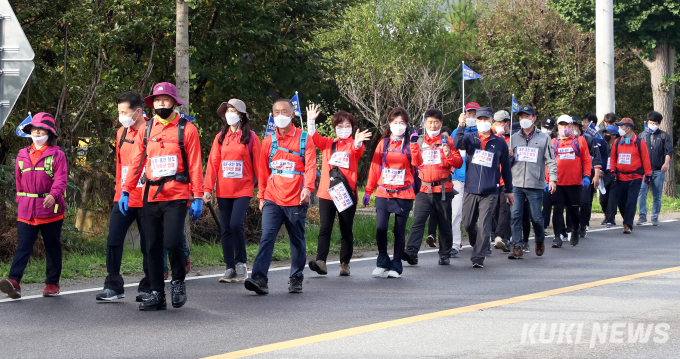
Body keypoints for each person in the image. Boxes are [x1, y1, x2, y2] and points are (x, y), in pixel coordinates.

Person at [123, 82, 204, 311]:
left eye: (165, 99)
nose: (160, 103)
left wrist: (197, 196)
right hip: (150, 195)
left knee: (172, 241)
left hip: (177, 195)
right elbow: (136, 162)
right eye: (157, 100)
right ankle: (157, 293)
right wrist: (126, 190)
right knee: (152, 246)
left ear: (174, 102)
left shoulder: (187, 129)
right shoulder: (146, 129)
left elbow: (196, 164)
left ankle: (178, 283)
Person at [244, 99, 316, 294]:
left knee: (297, 240)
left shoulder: (304, 139)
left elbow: (310, 167)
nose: (280, 116)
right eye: (276, 112)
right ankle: (259, 278)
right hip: (272, 198)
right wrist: (261, 198)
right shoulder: (268, 141)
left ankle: (296, 277)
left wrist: (308, 188)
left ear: (293, 115)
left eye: (285, 112)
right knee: (267, 237)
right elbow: (263, 171)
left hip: (297, 200)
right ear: (272, 115)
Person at [0, 113, 67, 299]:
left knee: (52, 246)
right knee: (23, 246)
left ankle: (52, 284)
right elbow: (19, 182)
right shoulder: (22, 154)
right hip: (27, 209)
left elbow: (61, 180)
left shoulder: (57, 155)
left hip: (50, 209)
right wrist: (20, 201)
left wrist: (53, 196)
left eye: (41, 129)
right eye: (34, 129)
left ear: (49, 132)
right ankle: (14, 282)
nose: (37, 132)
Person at [95, 92, 152, 301]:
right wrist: (119, 191)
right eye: (119, 112)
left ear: (137, 112)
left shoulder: (152, 130)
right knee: (113, 240)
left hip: (147, 197)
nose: (121, 116)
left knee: (149, 243)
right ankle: (113, 285)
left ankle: (148, 286)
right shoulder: (121, 132)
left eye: (124, 112)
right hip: (124, 197)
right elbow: (120, 165)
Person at [306, 104, 370, 276]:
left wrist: (357, 141)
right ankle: (321, 261)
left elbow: (357, 149)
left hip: (346, 194)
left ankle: (344, 263)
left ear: (352, 127)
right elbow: (313, 137)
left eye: (347, 126)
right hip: (327, 193)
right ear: (334, 128)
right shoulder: (328, 143)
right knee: (325, 228)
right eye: (340, 126)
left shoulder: (353, 145)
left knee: (346, 229)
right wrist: (311, 121)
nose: (343, 129)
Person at [203, 99, 260, 283]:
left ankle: (241, 263)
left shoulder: (251, 137)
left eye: (233, 110)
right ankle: (229, 267)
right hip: (223, 190)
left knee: (236, 224)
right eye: (227, 110)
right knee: (225, 229)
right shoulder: (220, 137)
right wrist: (207, 189)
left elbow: (259, 166)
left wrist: (263, 193)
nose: (230, 113)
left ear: (242, 115)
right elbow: (212, 164)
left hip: (243, 189)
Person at [364, 107, 421, 277]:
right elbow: (374, 168)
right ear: (389, 124)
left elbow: (418, 162)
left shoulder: (411, 144)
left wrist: (415, 144)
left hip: (404, 194)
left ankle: (396, 264)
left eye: (402, 123)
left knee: (398, 231)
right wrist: (368, 191)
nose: (398, 126)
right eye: (395, 122)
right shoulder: (384, 143)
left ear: (406, 125)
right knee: (381, 228)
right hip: (383, 193)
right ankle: (382, 260)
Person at [454, 106, 514, 268]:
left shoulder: (499, 142)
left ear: (491, 121)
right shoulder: (470, 138)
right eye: (480, 119)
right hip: (471, 188)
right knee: (467, 223)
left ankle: (478, 257)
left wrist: (509, 190)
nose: (483, 122)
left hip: (491, 190)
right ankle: (479, 244)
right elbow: (457, 143)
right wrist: (461, 126)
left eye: (486, 119)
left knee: (484, 224)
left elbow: (506, 169)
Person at [402, 109, 463, 266]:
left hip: (443, 190)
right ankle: (411, 252)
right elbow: (416, 162)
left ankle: (444, 254)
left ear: (441, 124)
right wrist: (414, 144)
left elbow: (458, 163)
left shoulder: (449, 141)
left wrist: (448, 153)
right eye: (430, 122)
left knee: (444, 223)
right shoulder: (420, 141)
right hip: (424, 189)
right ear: (425, 124)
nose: (433, 125)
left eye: (436, 122)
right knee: (418, 221)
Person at [506, 106, 556, 259]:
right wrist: (508, 156)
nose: (524, 120)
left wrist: (552, 179)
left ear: (534, 118)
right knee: (515, 215)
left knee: (536, 218)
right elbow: (508, 162)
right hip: (516, 183)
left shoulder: (544, 138)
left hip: (535, 183)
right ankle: (517, 246)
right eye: (521, 117)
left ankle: (539, 239)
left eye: (527, 117)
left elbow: (550, 160)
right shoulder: (513, 138)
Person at [550, 115, 591, 248]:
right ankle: (557, 237)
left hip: (574, 183)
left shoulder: (580, 141)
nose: (565, 128)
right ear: (558, 127)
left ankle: (574, 230)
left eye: (567, 125)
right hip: (558, 182)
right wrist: (548, 180)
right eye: (562, 126)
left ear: (572, 126)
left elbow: (586, 160)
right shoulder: (553, 142)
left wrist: (587, 175)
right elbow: (548, 162)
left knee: (574, 211)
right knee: (557, 210)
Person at [447, 102, 479, 258]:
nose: (471, 117)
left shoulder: (483, 133)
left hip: (477, 180)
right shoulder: (456, 132)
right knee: (455, 213)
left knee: (474, 217)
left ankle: (480, 243)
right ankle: (454, 244)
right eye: (469, 113)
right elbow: (451, 151)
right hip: (458, 179)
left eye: (474, 114)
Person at [610, 118, 651, 234]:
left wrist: (648, 174)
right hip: (620, 177)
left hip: (635, 177)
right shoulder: (618, 142)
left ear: (628, 128)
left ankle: (627, 224)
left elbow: (646, 159)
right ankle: (627, 219)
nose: (619, 129)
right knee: (621, 201)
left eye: (621, 126)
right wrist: (613, 170)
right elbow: (613, 157)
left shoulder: (639, 142)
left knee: (631, 201)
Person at [564, 118, 601, 238]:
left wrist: (595, 175)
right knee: (570, 203)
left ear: (578, 127)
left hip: (586, 176)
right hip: (570, 177)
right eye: (569, 125)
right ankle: (570, 227)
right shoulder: (565, 141)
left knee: (585, 202)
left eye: (574, 125)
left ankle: (583, 224)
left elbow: (596, 158)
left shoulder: (588, 140)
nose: (572, 128)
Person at [637, 111, 673, 226]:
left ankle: (654, 217)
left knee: (657, 195)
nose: (653, 124)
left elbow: (668, 151)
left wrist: (666, 163)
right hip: (644, 170)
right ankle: (642, 216)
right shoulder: (642, 135)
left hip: (658, 169)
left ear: (659, 124)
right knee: (641, 192)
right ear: (647, 122)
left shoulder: (663, 135)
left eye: (655, 123)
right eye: (651, 122)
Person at [424, 126, 452, 248]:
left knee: (444, 218)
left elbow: (456, 163)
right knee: (433, 212)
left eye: (446, 137)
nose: (443, 140)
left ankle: (445, 248)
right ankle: (431, 235)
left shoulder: (451, 147)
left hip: (446, 186)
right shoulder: (430, 148)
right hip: (430, 187)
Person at [490, 110, 512, 252]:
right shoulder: (491, 137)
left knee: (505, 210)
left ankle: (501, 236)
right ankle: (495, 234)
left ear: (507, 123)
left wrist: (512, 155)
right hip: (492, 179)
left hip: (506, 180)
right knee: (493, 209)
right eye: (496, 123)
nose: (498, 125)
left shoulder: (514, 138)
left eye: (501, 123)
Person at [599, 125, 619, 227]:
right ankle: (606, 216)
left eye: (608, 133)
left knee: (612, 199)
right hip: (603, 175)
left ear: (614, 135)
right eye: (605, 133)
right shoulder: (603, 145)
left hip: (615, 175)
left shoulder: (619, 145)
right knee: (603, 199)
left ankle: (611, 219)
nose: (606, 135)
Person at [540, 117, 556, 229]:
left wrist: (551, 178)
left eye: (549, 128)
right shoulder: (536, 137)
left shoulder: (556, 140)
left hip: (550, 176)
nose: (547, 129)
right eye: (545, 127)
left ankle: (544, 225)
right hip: (537, 175)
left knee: (548, 202)